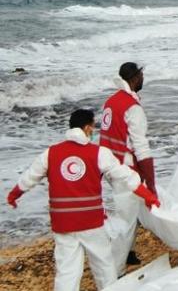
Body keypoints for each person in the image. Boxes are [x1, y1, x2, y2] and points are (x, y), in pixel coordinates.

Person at [6, 109, 159, 291]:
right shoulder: (99, 153)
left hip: (63, 224)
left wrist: (14, 195)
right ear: (87, 128)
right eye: (93, 127)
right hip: (91, 222)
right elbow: (126, 177)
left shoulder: (50, 153)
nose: (93, 131)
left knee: (67, 271)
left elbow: (29, 178)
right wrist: (148, 196)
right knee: (104, 267)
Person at [99, 62, 156, 266]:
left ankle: (129, 253)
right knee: (126, 219)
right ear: (134, 78)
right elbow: (141, 148)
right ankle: (117, 268)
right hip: (125, 169)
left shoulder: (110, 102)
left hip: (109, 165)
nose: (143, 78)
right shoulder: (133, 108)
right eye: (141, 74)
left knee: (129, 212)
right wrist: (152, 183)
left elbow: (106, 136)